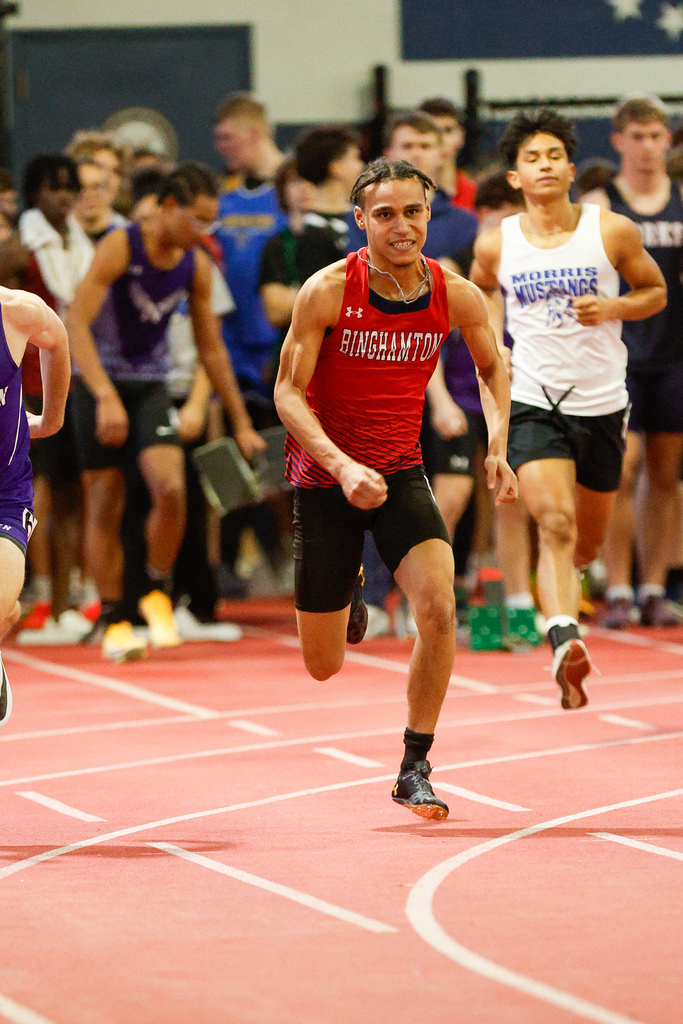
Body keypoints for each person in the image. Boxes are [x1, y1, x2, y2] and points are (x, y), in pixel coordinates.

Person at [274, 157, 516, 820]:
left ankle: (414, 764)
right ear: (361, 220)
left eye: (412, 211)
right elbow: (287, 393)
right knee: (323, 665)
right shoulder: (327, 290)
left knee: (438, 607)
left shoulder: (453, 293)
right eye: (384, 214)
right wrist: (341, 465)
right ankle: (348, 586)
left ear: (428, 215)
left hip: (400, 471)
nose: (400, 226)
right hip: (326, 479)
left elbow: (495, 370)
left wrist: (497, 446)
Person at [471, 109, 666, 710]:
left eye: (554, 155)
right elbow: (481, 290)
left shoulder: (611, 231)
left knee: (584, 544)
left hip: (603, 404)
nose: (545, 165)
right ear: (515, 176)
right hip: (535, 397)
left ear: (571, 168)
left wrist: (613, 310)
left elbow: (654, 292)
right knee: (552, 524)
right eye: (532, 158)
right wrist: (495, 342)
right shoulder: (496, 241)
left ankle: (569, 589)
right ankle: (563, 641)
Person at [67, 163, 263, 663]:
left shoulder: (195, 264)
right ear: (168, 207)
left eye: (212, 222)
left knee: (171, 487)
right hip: (99, 381)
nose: (206, 232)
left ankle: (155, 585)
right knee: (105, 496)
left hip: (150, 384)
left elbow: (212, 349)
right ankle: (113, 615)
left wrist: (240, 422)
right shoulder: (120, 245)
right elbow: (76, 323)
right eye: (199, 220)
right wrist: (104, 395)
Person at [590, 97, 683, 628]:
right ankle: (619, 587)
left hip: (673, 355)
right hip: (618, 356)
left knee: (665, 476)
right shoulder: (602, 204)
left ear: (667, 140)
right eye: (638, 136)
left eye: (656, 135)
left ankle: (653, 586)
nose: (648, 146)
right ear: (619, 140)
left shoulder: (680, 200)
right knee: (619, 473)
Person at [0, 286, 71, 725]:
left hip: (4, 495)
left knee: (3, 602)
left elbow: (58, 339)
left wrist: (53, 416)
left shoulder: (14, 312)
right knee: (8, 611)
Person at [417, 98, 476, 211]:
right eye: (431, 131)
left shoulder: (475, 195)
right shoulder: (400, 197)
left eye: (447, 130)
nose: (441, 139)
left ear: (461, 136)